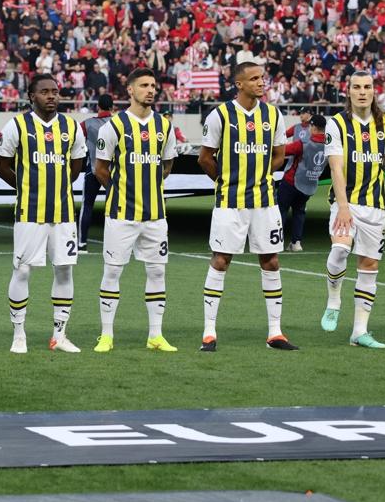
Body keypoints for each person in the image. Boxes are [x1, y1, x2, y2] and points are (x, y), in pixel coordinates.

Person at [197, 61, 295, 352]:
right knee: (221, 260)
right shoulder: (221, 115)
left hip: (265, 202)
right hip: (230, 202)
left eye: (262, 78)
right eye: (254, 79)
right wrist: (226, 180)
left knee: (271, 261)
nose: (261, 83)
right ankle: (209, 332)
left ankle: (275, 333)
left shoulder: (272, 114)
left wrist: (260, 174)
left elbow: (279, 155)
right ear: (239, 84)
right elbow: (205, 157)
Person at [0, 74, 87, 354]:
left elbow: (76, 166)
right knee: (22, 270)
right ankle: (19, 334)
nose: (51, 96)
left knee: (64, 269)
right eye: (45, 91)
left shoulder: (71, 127)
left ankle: (58, 336)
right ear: (31, 96)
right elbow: (2, 166)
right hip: (28, 213)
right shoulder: (17, 125)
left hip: (63, 213)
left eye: (55, 91)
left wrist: (56, 188)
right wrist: (27, 188)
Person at [93, 68, 178, 353]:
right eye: (144, 85)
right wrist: (121, 191)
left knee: (157, 272)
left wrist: (150, 186)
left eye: (153, 85)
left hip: (155, 215)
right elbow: (101, 169)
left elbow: (167, 165)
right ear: (130, 90)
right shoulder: (114, 126)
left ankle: (155, 335)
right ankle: (106, 335)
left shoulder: (164, 126)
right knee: (113, 271)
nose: (151, 90)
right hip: (121, 214)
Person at [320, 71, 385, 349]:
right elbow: (336, 167)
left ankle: (359, 332)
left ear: (374, 91)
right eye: (357, 87)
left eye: (368, 87)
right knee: (339, 249)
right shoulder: (336, 124)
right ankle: (334, 298)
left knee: (369, 266)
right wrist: (342, 206)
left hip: (376, 206)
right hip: (346, 203)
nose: (363, 92)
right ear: (347, 91)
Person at [278, 114, 327, 252]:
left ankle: (277, 241)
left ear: (314, 127)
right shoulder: (330, 146)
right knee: (299, 213)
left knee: (281, 210)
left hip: (291, 182)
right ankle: (296, 242)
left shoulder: (304, 143)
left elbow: (284, 151)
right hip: (310, 184)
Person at [77, 93, 114, 252]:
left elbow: (73, 140)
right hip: (112, 172)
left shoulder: (87, 124)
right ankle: (112, 245)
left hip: (92, 169)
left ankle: (82, 244)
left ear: (98, 106)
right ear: (112, 107)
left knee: (87, 206)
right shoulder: (118, 123)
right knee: (113, 207)